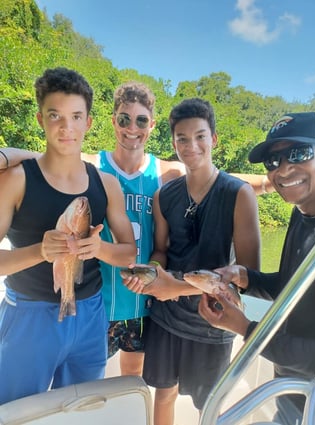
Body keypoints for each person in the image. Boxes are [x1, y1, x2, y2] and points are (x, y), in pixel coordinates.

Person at [0, 82, 274, 380]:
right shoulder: (95, 166)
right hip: (98, 299)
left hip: (144, 297)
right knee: (88, 385)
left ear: (152, 125)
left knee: (132, 378)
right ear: (112, 122)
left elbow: (220, 177)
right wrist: (4, 156)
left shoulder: (166, 172)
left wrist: (274, 180)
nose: (132, 127)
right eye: (123, 119)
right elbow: (44, 156)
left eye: (141, 120)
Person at [0, 67, 136, 405]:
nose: (66, 127)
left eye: (76, 116)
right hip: (29, 316)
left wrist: (99, 248)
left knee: (82, 411)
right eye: (55, 115)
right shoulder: (17, 180)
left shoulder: (106, 184)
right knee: (16, 411)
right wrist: (39, 251)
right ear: (40, 119)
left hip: (90, 316)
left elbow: (129, 254)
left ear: (88, 122)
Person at [124, 98, 261, 425]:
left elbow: (248, 275)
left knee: (208, 405)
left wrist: (176, 288)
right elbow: (161, 250)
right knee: (164, 393)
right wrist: (152, 276)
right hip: (166, 318)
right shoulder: (164, 196)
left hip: (214, 321)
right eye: (182, 138)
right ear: (173, 142)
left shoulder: (239, 194)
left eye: (200, 136)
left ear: (213, 139)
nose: (191, 146)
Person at [198, 111, 315, 425]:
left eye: (299, 153)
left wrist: (243, 327)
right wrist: (245, 277)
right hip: (289, 393)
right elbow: (295, 289)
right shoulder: (303, 214)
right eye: (273, 161)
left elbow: (313, 359)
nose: (283, 169)